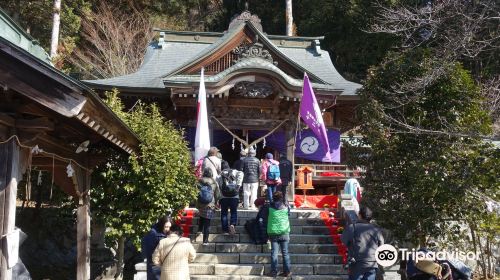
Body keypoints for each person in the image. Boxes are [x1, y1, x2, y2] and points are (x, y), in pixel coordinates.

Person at [341, 205, 384, 280]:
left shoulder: (352, 227)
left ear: (359, 215)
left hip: (357, 263)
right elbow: (382, 246)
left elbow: (344, 241)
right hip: (372, 263)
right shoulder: (376, 230)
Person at [266, 191, 291, 278]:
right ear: (281, 198)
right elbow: (289, 214)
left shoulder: (269, 207)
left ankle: (273, 272)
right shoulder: (286, 206)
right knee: (285, 253)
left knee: (274, 253)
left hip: (273, 232)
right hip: (284, 231)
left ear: (273, 198)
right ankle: (287, 272)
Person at [141, 215, 172, 280]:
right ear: (161, 225)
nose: (168, 229)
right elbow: (149, 251)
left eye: (169, 227)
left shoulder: (169, 233)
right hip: (155, 264)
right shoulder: (153, 233)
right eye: (166, 226)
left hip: (165, 263)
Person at [218, 161, 243, 235]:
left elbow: (219, 186)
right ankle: (232, 224)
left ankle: (225, 230)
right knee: (234, 211)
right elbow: (241, 173)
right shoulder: (235, 172)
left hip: (224, 196)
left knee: (224, 213)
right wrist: (238, 185)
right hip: (234, 196)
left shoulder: (219, 175)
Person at [196, 168, 220, 245]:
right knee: (207, 222)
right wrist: (216, 203)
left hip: (201, 204)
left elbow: (195, 193)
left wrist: (196, 204)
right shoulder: (214, 182)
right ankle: (205, 241)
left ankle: (199, 230)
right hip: (210, 205)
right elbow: (217, 195)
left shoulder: (199, 181)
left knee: (201, 216)